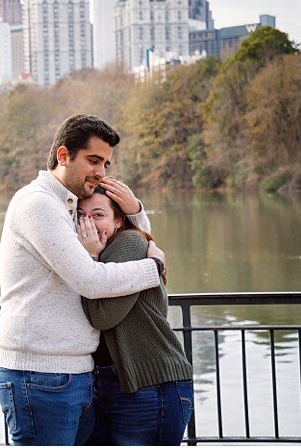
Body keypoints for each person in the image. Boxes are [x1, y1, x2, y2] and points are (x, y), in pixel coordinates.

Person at [0, 115, 169, 446]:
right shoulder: (38, 204)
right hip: (40, 375)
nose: (101, 172)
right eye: (93, 160)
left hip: (74, 373)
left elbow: (120, 241)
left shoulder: (69, 207)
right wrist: (153, 267)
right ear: (63, 156)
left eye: (105, 163)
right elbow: (91, 279)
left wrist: (135, 213)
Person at [77, 190, 195, 445]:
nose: (88, 224)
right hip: (113, 385)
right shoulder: (95, 251)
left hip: (151, 386)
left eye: (98, 215)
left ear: (118, 220)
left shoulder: (128, 243)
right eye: (80, 216)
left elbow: (103, 316)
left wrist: (93, 258)